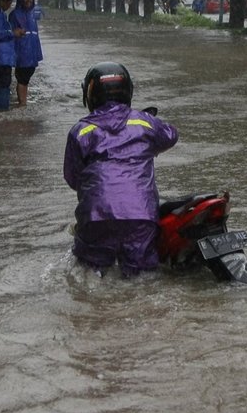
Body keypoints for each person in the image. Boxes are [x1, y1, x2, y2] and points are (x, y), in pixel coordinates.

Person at [63, 61, 179, 277]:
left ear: (89, 94)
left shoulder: (80, 131)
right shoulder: (144, 123)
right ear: (128, 90)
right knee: (141, 276)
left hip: (95, 217)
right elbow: (171, 136)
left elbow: (73, 178)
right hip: (141, 215)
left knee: (91, 273)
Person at [9, 0, 43, 107]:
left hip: (32, 52)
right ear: (21, 0)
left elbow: (35, 34)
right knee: (22, 78)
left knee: (26, 78)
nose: (28, 1)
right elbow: (11, 33)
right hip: (22, 52)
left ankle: (24, 103)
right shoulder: (15, 14)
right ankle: (22, 104)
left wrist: (37, 54)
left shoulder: (33, 14)